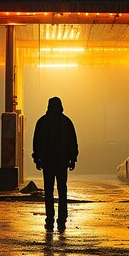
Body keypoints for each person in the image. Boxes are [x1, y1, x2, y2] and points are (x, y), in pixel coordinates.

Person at [32, 97, 78, 231]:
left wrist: (37, 159)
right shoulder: (66, 122)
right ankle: (62, 217)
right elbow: (72, 141)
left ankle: (50, 217)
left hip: (48, 162)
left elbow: (37, 142)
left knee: (49, 190)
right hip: (62, 161)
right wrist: (72, 159)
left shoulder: (42, 122)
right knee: (62, 189)